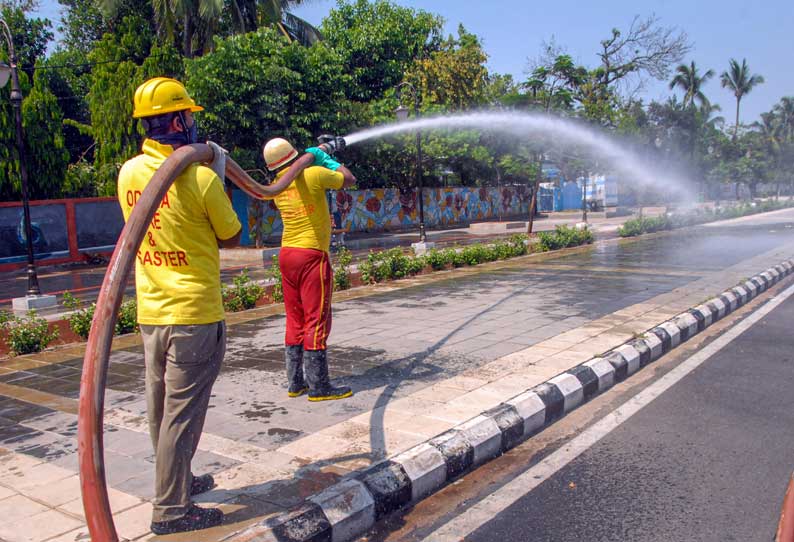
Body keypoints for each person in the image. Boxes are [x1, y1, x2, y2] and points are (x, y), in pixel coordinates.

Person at [118, 77, 304, 535]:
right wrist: (217, 177)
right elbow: (231, 234)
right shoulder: (200, 177)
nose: (194, 123)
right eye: (190, 116)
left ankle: (179, 482)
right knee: (182, 414)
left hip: (151, 312)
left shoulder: (128, 172)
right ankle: (172, 512)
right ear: (179, 121)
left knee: (161, 408)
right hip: (194, 313)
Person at [263, 136, 357, 401]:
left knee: (295, 318)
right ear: (295, 154)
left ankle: (296, 383)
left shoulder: (276, 186)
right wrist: (326, 158)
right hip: (311, 254)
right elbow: (348, 179)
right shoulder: (314, 174)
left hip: (287, 254)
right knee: (316, 318)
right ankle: (319, 386)